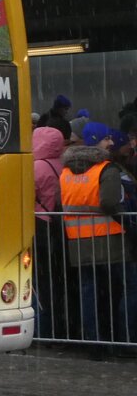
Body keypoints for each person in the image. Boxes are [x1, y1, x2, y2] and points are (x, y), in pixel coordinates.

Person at [60, 123, 137, 343]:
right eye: (106, 139)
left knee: (90, 292)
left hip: (79, 243)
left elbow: (62, 202)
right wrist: (128, 223)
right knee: (129, 287)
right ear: (96, 141)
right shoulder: (107, 169)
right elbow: (110, 202)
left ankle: (94, 341)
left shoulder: (66, 171)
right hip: (110, 240)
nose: (111, 143)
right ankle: (127, 340)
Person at [33, 127, 74, 339]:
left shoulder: (37, 166)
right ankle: (61, 328)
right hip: (60, 225)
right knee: (58, 280)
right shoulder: (63, 165)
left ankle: (44, 329)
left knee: (41, 281)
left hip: (40, 225)